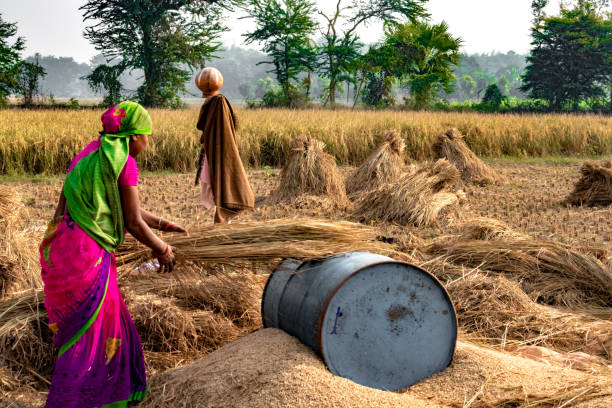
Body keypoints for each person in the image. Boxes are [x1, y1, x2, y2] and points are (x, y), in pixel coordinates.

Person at [40, 101, 185, 408]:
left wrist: (163, 224)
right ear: (133, 137)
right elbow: (131, 221)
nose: (148, 142)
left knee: (98, 324)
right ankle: (84, 400)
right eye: (147, 135)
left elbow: (123, 206)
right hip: (88, 254)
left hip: (64, 248)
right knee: (94, 332)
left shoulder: (92, 154)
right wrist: (162, 249)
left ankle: (116, 391)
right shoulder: (125, 163)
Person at [194, 67, 254, 224]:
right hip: (214, 152)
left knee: (221, 184)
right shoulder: (217, 104)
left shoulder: (218, 104)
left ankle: (222, 221)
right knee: (216, 186)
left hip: (220, 152)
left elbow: (221, 134)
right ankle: (222, 222)